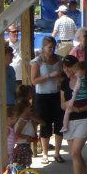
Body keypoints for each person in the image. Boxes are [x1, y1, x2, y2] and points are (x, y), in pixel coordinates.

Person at [31, 36, 65, 164]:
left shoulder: (59, 59)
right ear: (43, 47)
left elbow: (63, 74)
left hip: (56, 94)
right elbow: (34, 81)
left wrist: (60, 78)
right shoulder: (37, 61)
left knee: (59, 123)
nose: (52, 50)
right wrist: (49, 75)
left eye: (53, 47)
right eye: (49, 47)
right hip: (43, 95)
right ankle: (45, 153)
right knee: (45, 123)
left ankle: (57, 152)